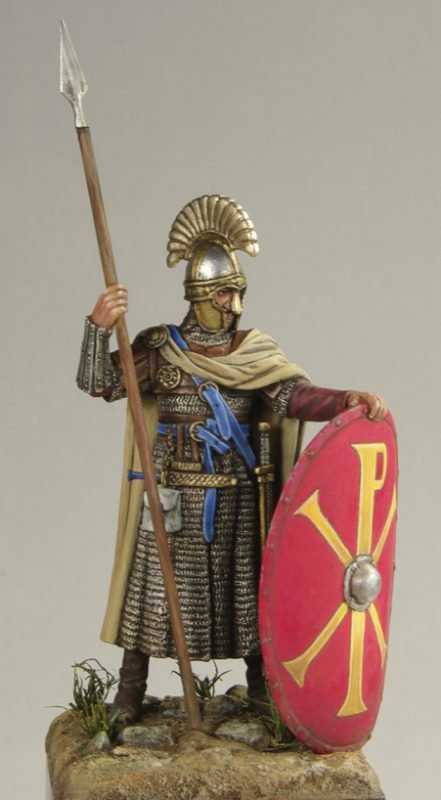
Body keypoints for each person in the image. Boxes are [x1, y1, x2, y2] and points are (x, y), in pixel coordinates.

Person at [77, 195, 386, 723]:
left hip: (239, 501)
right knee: (150, 601)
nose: (234, 306)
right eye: (223, 294)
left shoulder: (253, 352)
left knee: (247, 600)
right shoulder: (160, 350)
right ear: (198, 296)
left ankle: (262, 693)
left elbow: (294, 397)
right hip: (172, 499)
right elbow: (98, 383)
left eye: (238, 293)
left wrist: (345, 400)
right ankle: (129, 694)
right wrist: (98, 327)